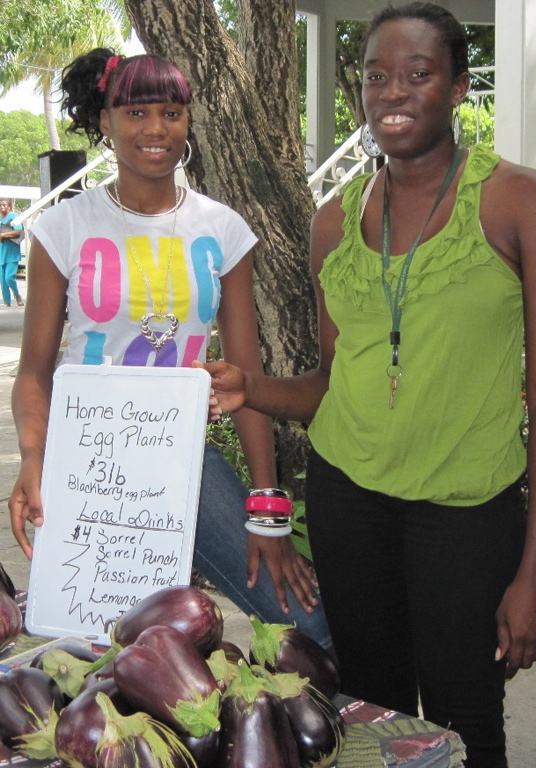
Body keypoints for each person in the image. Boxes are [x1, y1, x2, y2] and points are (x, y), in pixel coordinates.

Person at [200, 3, 536, 766]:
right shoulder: (334, 221)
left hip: (466, 515)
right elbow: (331, 388)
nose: (392, 93)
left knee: (466, 722)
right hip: (350, 501)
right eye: (376, 76)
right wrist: (252, 388)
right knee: (369, 714)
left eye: (418, 74)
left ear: (460, 87)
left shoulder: (520, 203)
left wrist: (534, 571)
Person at [8, 48, 329, 648]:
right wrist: (33, 458)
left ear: (188, 123)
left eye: (171, 112)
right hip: (85, 467)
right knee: (101, 650)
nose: (155, 129)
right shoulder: (63, 228)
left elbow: (246, 375)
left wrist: (266, 512)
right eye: (135, 112)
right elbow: (34, 374)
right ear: (105, 121)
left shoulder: (223, 230)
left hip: (182, 458)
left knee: (304, 621)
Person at [0, 198, 25, 308]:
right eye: (0, 205)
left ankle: (17, 295)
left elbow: (19, 232)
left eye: (4, 205)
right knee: (3, 280)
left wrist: (3, 235)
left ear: (9, 206)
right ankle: (7, 303)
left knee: (9, 277)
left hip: (12, 253)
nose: (2, 207)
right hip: (1, 253)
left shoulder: (14, 217)